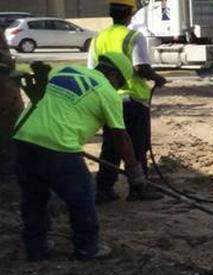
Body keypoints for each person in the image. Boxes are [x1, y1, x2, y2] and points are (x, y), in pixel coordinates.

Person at [10, 52, 150, 260]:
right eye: (119, 83)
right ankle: (87, 247)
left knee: (34, 198)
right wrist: (135, 173)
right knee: (82, 196)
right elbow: (121, 137)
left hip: (22, 137)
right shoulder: (107, 92)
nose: (117, 88)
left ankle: (36, 247)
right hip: (58, 145)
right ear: (113, 75)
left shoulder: (62, 70)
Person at [90, 0, 168, 203]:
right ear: (130, 13)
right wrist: (157, 78)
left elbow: (92, 69)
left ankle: (104, 189)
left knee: (111, 146)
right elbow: (141, 67)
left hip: (109, 99)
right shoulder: (134, 36)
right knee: (138, 145)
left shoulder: (98, 38)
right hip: (133, 100)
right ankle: (138, 189)